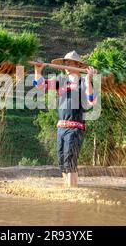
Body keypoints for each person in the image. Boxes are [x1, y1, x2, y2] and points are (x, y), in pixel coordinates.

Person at [33, 50, 97, 188]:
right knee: (62, 162)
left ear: (77, 65)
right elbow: (40, 85)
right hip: (61, 128)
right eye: (65, 63)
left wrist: (88, 80)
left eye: (70, 63)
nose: (67, 65)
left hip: (75, 128)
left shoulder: (83, 82)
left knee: (70, 160)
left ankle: (72, 191)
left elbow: (92, 101)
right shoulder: (61, 81)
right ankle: (65, 189)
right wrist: (38, 71)